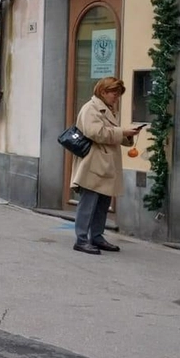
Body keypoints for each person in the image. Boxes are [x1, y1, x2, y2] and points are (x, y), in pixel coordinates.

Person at [71, 76, 139, 254]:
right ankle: (81, 239)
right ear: (103, 92)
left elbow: (110, 134)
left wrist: (128, 136)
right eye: (114, 93)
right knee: (88, 203)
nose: (116, 97)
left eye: (118, 94)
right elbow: (95, 133)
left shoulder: (108, 109)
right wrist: (122, 131)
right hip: (94, 163)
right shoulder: (91, 108)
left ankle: (97, 236)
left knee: (102, 203)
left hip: (106, 164)